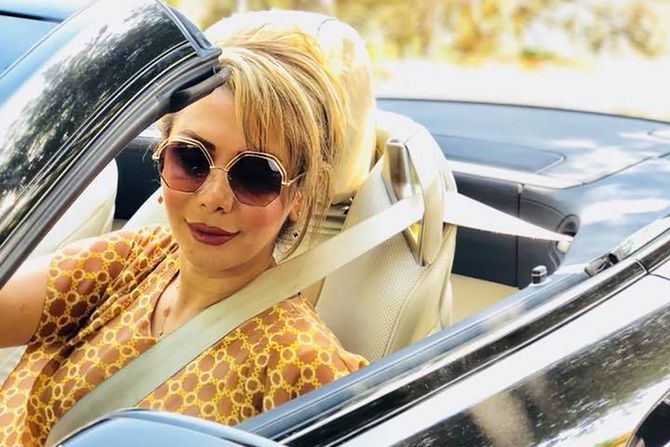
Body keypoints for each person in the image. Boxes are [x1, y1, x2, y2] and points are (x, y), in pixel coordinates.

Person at [0, 23, 368, 446]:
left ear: (298, 196)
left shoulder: (301, 364)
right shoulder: (134, 259)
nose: (214, 198)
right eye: (191, 160)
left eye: (255, 175)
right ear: (162, 159)